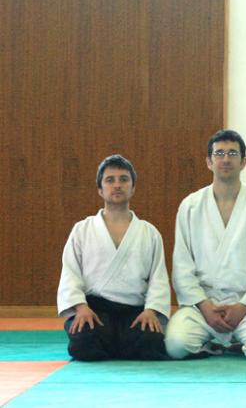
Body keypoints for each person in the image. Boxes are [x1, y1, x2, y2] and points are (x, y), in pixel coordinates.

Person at [165, 129, 246, 360]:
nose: (226, 159)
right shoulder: (191, 206)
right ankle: (218, 343)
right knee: (175, 346)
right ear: (209, 162)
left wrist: (243, 307)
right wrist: (205, 307)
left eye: (232, 153)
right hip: (202, 307)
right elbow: (182, 266)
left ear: (243, 162)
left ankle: (234, 341)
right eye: (219, 154)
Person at [57, 154, 170, 361]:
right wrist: (81, 307)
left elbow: (158, 277)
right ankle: (117, 343)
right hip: (95, 310)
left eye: (123, 179)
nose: (117, 185)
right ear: (100, 190)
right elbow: (70, 272)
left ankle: (115, 343)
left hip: (134, 312)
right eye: (110, 180)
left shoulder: (149, 232)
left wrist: (151, 310)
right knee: (84, 342)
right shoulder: (82, 229)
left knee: (151, 342)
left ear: (133, 188)